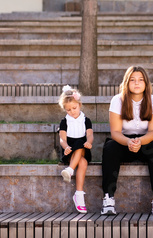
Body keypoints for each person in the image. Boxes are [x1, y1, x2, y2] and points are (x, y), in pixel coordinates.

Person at [101, 66, 153, 215]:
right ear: (126, 82)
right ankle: (108, 198)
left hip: (146, 141)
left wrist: (139, 141)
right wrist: (129, 142)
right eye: (132, 80)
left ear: (146, 83)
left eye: (140, 80)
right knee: (110, 148)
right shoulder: (117, 100)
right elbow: (116, 132)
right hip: (123, 142)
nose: (136, 83)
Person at [58, 85, 94, 214]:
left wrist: (89, 142)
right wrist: (66, 147)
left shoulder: (86, 120)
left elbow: (89, 135)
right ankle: (79, 195)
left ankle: (70, 169)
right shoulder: (64, 122)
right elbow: (62, 139)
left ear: (79, 105)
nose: (72, 111)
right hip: (70, 150)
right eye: (68, 110)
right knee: (83, 163)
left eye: (74, 108)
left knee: (80, 142)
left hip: (83, 147)